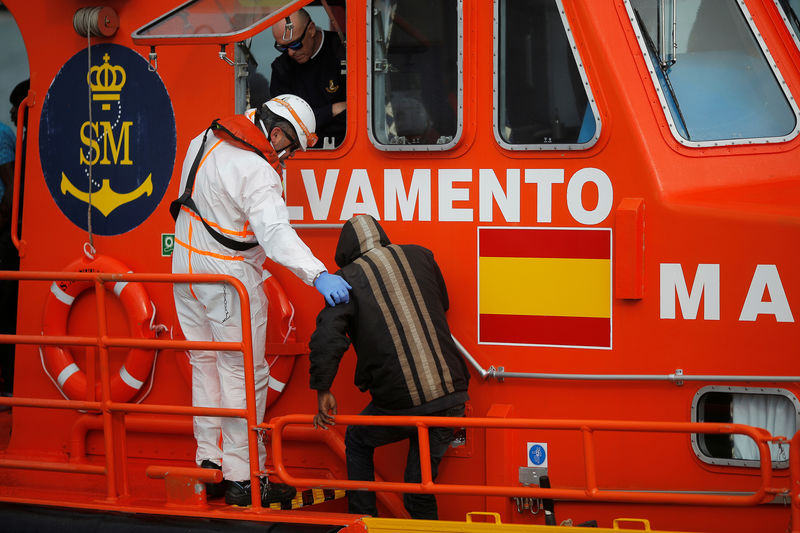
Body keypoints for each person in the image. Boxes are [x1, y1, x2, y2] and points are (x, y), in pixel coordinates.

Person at [171, 94, 351, 507]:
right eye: (290, 147)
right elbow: (275, 234)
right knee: (243, 374)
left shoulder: (203, 138)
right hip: (227, 276)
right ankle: (246, 477)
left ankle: (209, 465)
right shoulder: (258, 171)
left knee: (204, 365)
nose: (287, 157)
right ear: (276, 133)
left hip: (183, 270)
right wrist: (318, 275)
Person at [308, 214, 470, 519]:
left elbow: (327, 338)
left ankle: (364, 520)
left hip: (400, 403)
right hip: (452, 396)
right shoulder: (421, 256)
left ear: (347, 250)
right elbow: (443, 302)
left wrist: (322, 388)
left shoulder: (347, 279)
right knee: (418, 488)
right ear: (382, 235)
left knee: (356, 439)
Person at [270, 9, 346, 148]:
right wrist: (332, 110)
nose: (291, 52)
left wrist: (310, 119)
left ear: (311, 29)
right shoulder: (281, 67)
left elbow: (359, 114)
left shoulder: (344, 50)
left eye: (295, 44)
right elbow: (282, 123)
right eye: (283, 48)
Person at [0, 79, 27, 396]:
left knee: (7, 305)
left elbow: (11, 193)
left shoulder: (24, 140)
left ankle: (10, 379)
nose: (10, 112)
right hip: (14, 230)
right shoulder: (20, 138)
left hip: (11, 232)